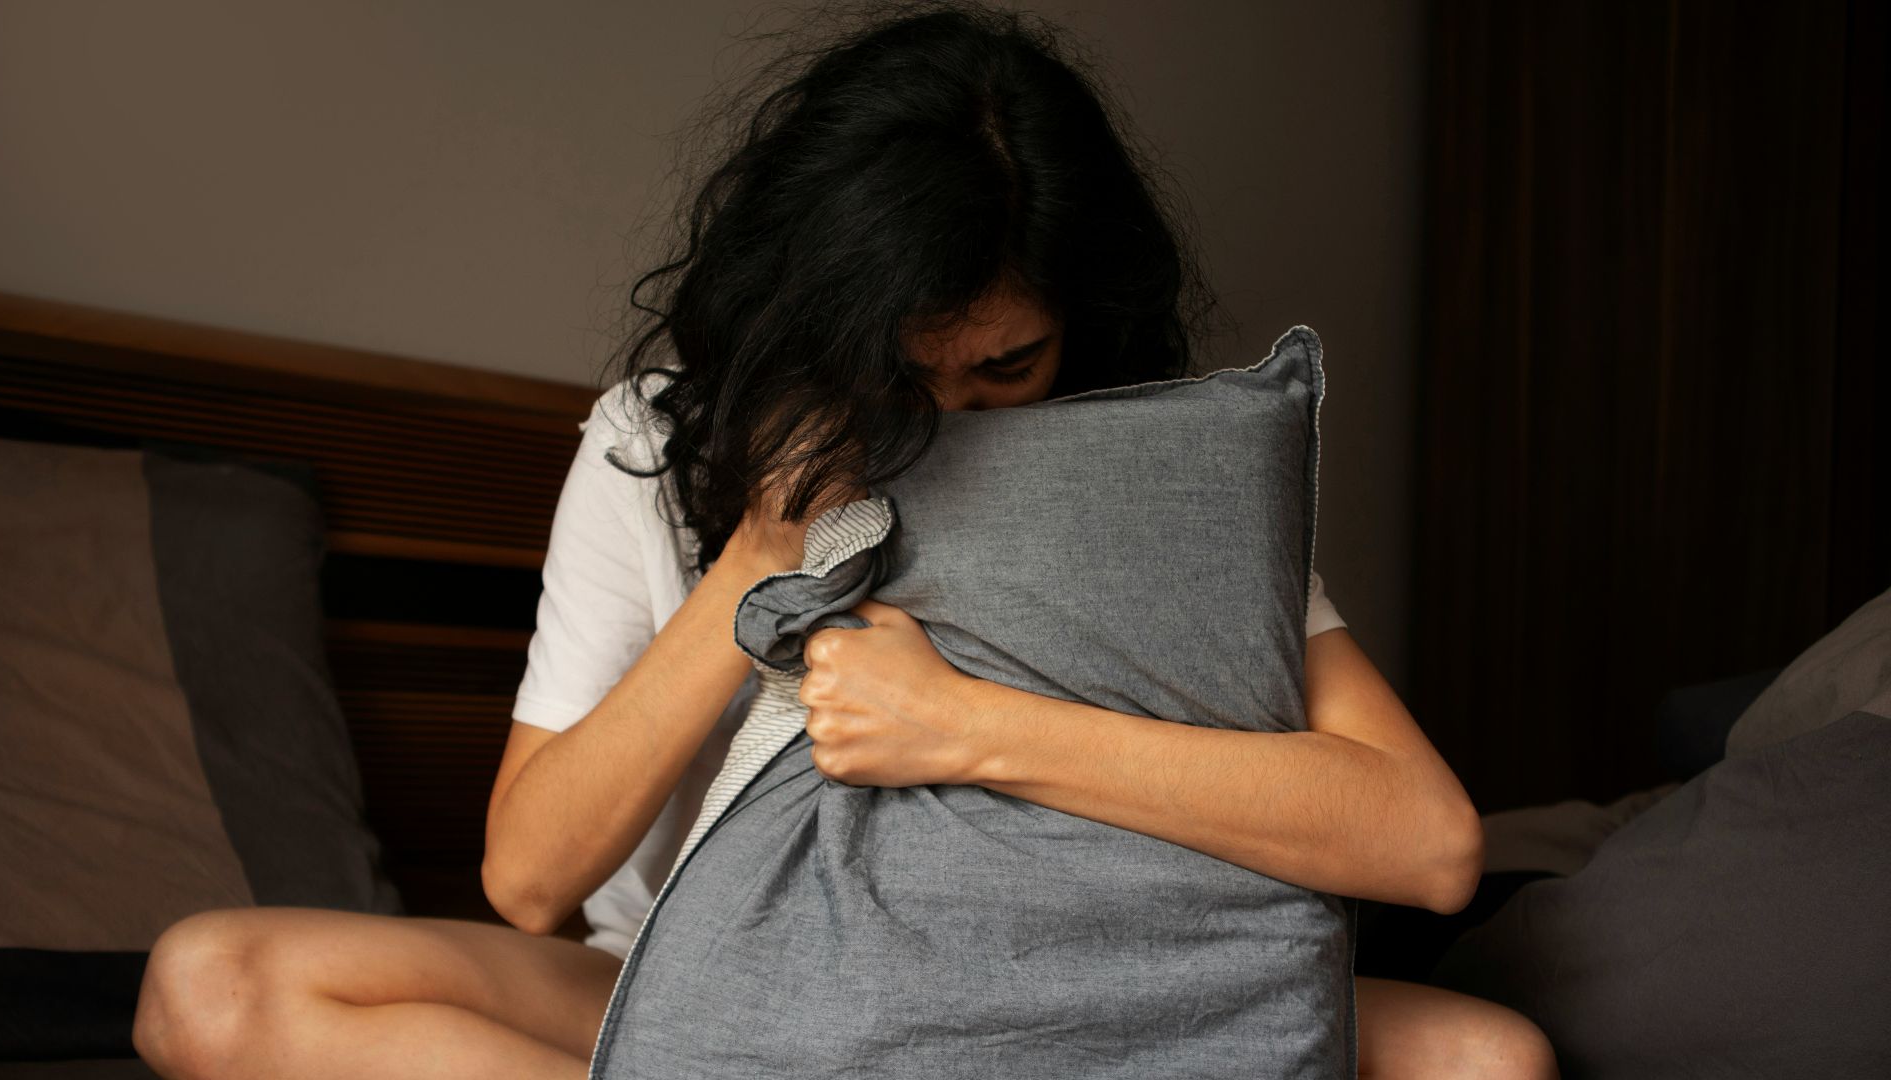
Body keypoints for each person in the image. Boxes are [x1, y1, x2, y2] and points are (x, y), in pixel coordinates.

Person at [131, 3, 1558, 1078]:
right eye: (900, 367)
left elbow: (1426, 847)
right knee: (209, 986)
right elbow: (529, 881)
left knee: (1491, 1063)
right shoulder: (658, 439)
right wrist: (758, 559)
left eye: (1006, 368)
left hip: (1078, 988)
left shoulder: (1155, 483)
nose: (948, 415)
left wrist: (969, 728)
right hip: (705, 991)